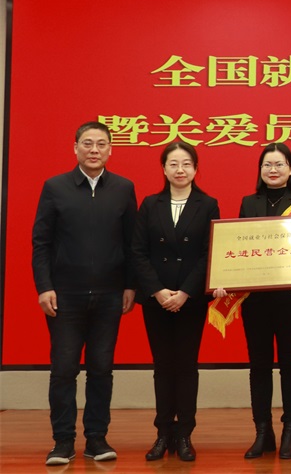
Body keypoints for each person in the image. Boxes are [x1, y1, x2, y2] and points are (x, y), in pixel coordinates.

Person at [32, 121, 137, 465]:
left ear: (110, 150)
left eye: (101, 144)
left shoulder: (123, 188)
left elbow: (132, 243)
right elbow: (41, 242)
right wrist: (44, 286)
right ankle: (62, 441)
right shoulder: (55, 187)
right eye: (87, 143)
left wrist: (130, 285)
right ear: (75, 147)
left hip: (110, 295)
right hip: (65, 296)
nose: (94, 150)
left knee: (101, 369)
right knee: (64, 369)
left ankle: (96, 438)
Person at [213, 142, 291, 460]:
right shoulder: (249, 203)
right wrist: (227, 278)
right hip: (256, 301)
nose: (273, 170)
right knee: (258, 366)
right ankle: (263, 432)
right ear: (260, 170)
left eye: (279, 164)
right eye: (267, 165)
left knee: (290, 364)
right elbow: (240, 248)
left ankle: (289, 431)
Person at [131, 141, 220, 462]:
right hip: (157, 300)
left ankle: (184, 435)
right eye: (173, 164)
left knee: (186, 366)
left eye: (186, 164)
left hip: (190, 300)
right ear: (164, 169)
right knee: (162, 367)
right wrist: (158, 291)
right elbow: (138, 252)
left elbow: (209, 253)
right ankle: (162, 433)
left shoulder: (207, 204)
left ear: (195, 169)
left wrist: (184, 292)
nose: (180, 170)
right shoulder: (150, 204)